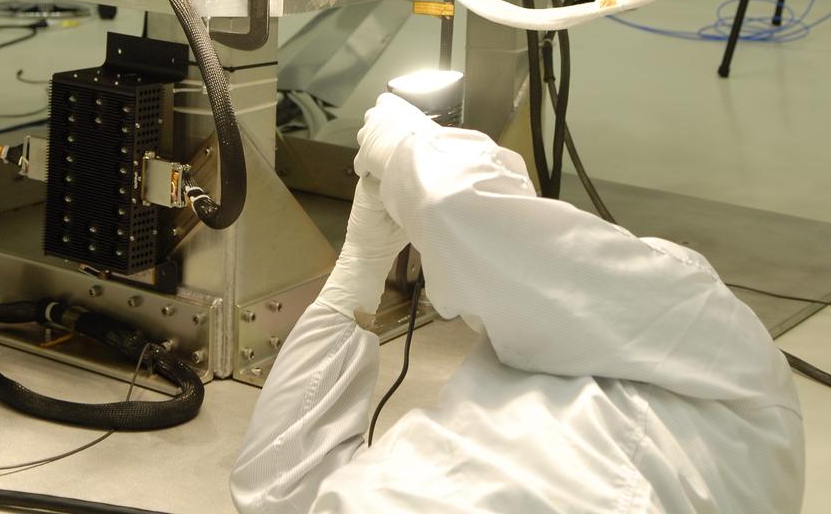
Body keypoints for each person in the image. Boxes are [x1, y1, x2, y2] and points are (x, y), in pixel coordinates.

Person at [231, 93, 804, 512]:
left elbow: (477, 218)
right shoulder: (720, 364)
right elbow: (272, 492)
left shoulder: (695, 314)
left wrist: (400, 141)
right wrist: (358, 267)